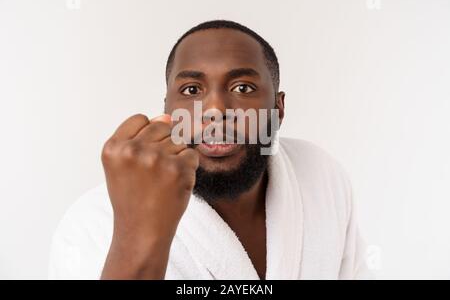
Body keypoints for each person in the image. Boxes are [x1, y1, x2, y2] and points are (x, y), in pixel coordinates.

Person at [49, 20, 371, 280]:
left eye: (242, 88)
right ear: (167, 111)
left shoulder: (321, 176)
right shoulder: (91, 224)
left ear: (278, 108)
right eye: (191, 90)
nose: (215, 109)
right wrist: (138, 235)